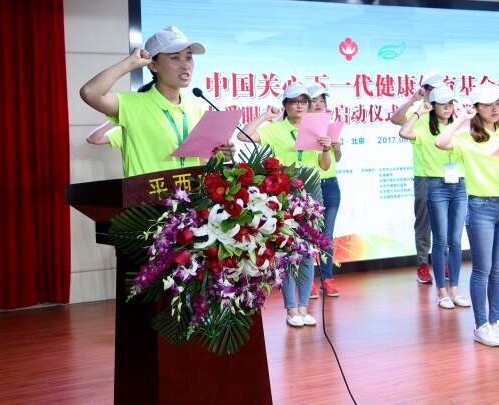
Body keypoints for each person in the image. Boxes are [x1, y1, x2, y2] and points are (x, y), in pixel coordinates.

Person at [435, 84, 499, 347]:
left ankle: (496, 321)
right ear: (476, 108)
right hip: (480, 207)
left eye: (498, 103)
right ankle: (481, 326)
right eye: (488, 105)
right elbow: (440, 142)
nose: (495, 109)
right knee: (482, 269)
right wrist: (461, 120)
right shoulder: (466, 136)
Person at [237, 82, 332, 327]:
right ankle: (291, 308)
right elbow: (243, 136)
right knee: (287, 252)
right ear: (285, 105)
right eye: (294, 101)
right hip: (284, 193)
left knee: (308, 252)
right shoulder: (275, 129)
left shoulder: (317, 128)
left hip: (312, 192)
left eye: (303, 101)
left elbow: (324, 166)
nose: (299, 106)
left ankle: (304, 307)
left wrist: (326, 149)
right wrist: (265, 117)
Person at [79, 26, 214, 177]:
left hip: (189, 192)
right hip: (147, 193)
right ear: (153, 65)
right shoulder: (133, 104)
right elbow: (90, 92)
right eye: (175, 58)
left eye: (188, 57)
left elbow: (202, 162)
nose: (185, 65)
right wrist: (130, 63)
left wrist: (219, 155)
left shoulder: (197, 109)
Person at [399, 85, 470, 310]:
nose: (448, 108)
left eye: (451, 104)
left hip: (459, 185)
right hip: (436, 185)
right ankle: (441, 292)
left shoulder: (458, 127)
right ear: (433, 105)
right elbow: (404, 132)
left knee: (455, 240)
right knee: (440, 240)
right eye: (443, 104)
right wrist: (419, 112)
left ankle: (455, 290)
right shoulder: (424, 127)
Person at [390, 72, 445, 284]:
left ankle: (444, 261)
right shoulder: (418, 112)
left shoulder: (447, 111)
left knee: (446, 222)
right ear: (425, 90)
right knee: (424, 221)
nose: (435, 93)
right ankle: (423, 263)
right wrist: (414, 99)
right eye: (431, 89)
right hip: (424, 175)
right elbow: (396, 120)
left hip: (448, 176)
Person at [307, 83, 342, 299]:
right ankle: (308, 281)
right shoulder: (300, 129)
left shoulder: (329, 127)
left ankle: (327, 279)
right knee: (308, 235)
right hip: (310, 184)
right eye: (314, 101)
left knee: (326, 236)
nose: (319, 104)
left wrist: (336, 148)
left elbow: (338, 159)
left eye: (322, 100)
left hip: (331, 185)